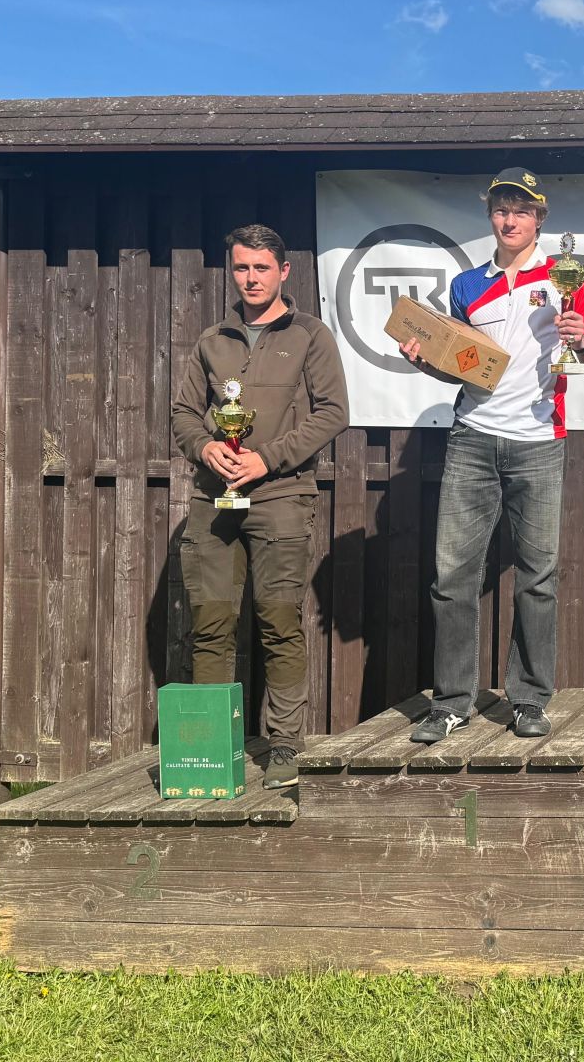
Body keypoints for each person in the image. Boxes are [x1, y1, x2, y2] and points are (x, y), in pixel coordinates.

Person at [398, 167, 584, 742]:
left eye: (521, 210)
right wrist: (427, 361)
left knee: (538, 578)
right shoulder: (467, 285)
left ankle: (530, 700)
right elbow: (463, 367)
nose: (510, 219)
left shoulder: (567, 278)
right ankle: (451, 703)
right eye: (501, 209)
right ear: (490, 215)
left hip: (540, 440)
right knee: (452, 577)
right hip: (471, 437)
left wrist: (580, 341)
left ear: (539, 218)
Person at [170, 223, 350, 789]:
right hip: (213, 499)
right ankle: (210, 751)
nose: (251, 278)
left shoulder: (311, 335)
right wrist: (205, 448)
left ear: (283, 272)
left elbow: (334, 412)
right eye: (242, 267)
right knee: (210, 626)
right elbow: (183, 414)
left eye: (262, 268)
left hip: (281, 498)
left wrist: (266, 459)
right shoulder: (212, 340)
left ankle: (284, 746)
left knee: (278, 622)